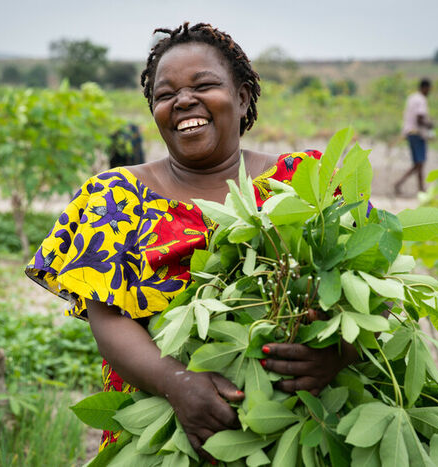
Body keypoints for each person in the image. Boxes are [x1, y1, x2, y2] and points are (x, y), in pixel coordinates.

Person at [25, 23, 356, 461]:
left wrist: (339, 351)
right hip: (163, 426)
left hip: (303, 426)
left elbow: (369, 288)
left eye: (204, 85)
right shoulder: (113, 198)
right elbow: (107, 319)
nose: (183, 101)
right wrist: (177, 383)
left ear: (241, 98)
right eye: (165, 95)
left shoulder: (305, 181)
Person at [394, 78, 434, 195]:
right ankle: (418, 188)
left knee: (418, 163)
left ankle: (418, 187)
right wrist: (429, 125)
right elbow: (419, 118)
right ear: (425, 88)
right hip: (417, 134)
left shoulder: (412, 98)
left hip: (409, 133)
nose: (429, 92)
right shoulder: (421, 100)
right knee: (419, 162)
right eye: (429, 89)